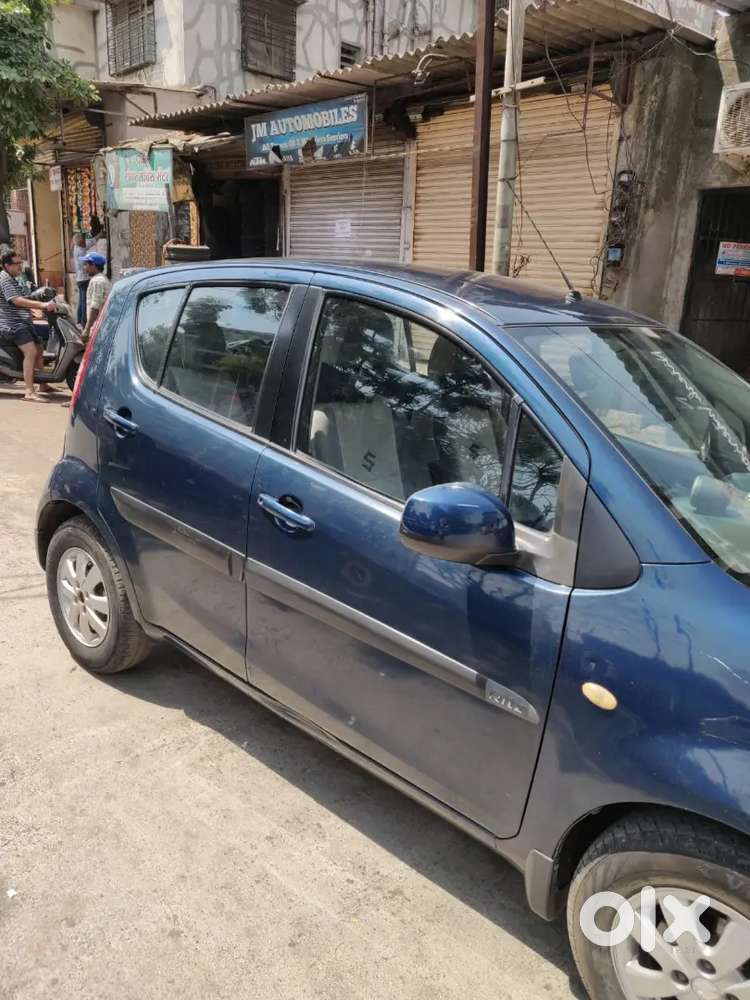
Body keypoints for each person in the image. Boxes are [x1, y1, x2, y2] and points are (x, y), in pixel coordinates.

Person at [0, 248, 57, 401]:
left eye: (21, 262)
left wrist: (41, 299)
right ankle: (29, 391)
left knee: (39, 349)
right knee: (31, 352)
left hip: (23, 321)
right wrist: (43, 306)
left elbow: (25, 296)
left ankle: (42, 384)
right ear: (6, 265)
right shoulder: (4, 279)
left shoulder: (15, 278)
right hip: (13, 324)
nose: (20, 266)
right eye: (16, 263)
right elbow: (16, 300)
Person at [81, 252, 111, 341]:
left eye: (85, 264)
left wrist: (87, 329)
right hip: (102, 325)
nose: (84, 268)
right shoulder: (102, 279)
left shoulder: (97, 281)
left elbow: (95, 307)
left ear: (93, 265)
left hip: (99, 327)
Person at [72, 233, 90, 326]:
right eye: (83, 240)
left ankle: (79, 321)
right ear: (80, 241)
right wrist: (90, 269)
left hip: (80, 279)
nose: (84, 241)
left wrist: (99, 235)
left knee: (81, 301)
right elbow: (82, 266)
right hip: (84, 279)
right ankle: (84, 323)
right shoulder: (80, 251)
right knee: (84, 302)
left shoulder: (76, 248)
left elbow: (90, 242)